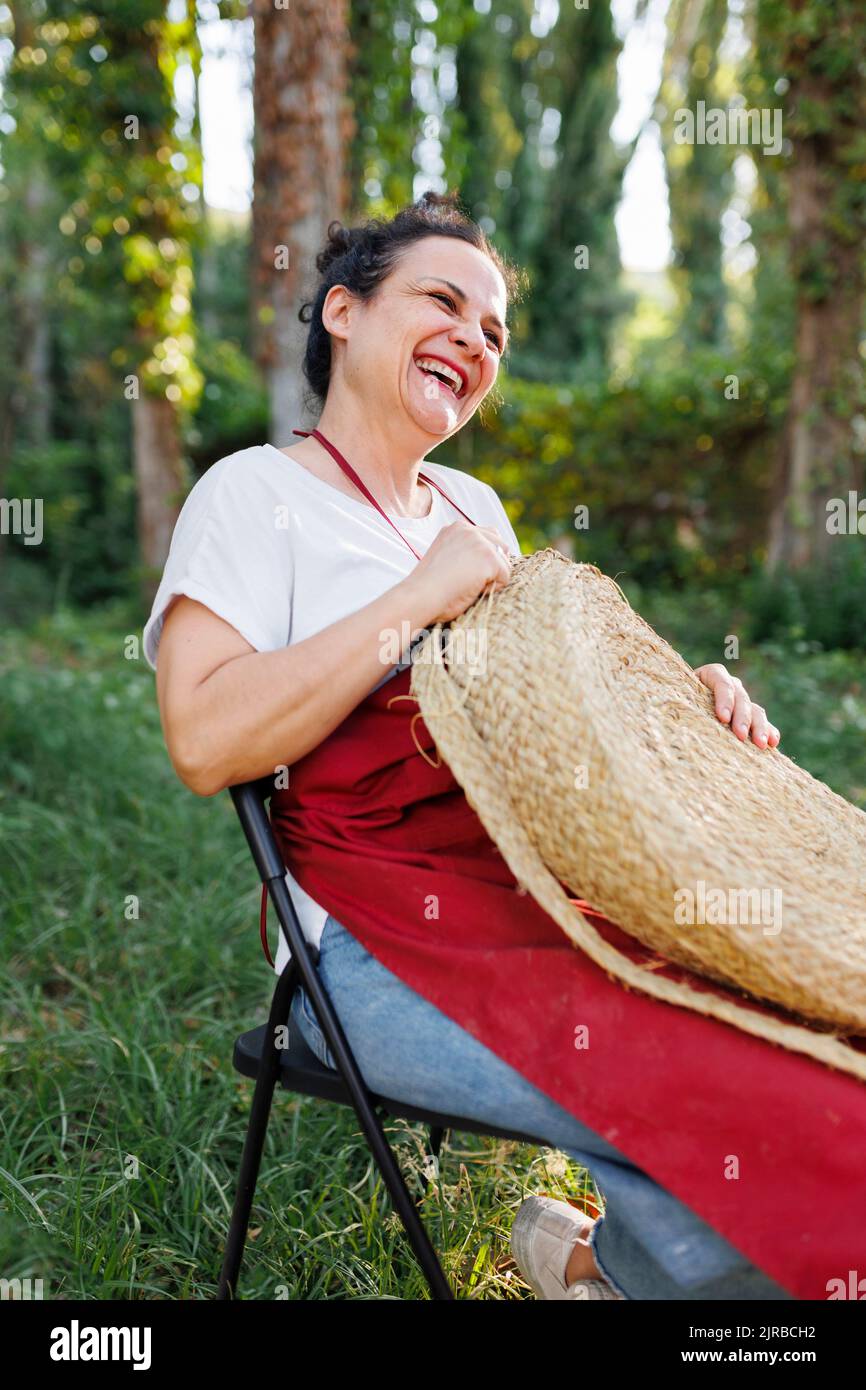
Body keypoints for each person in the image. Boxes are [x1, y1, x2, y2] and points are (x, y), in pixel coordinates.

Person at [144, 192, 788, 1301]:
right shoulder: (253, 495)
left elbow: (556, 710)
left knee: (776, 1012)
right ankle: (632, 1273)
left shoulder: (473, 508)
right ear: (342, 311)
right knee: (699, 1076)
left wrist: (688, 701)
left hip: (542, 894)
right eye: (441, 301)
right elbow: (204, 740)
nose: (475, 340)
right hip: (373, 944)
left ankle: (601, 1265)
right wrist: (414, 597)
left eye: (492, 329)